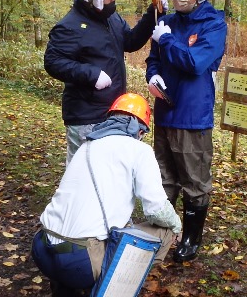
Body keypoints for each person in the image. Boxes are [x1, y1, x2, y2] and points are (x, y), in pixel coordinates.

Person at [31, 93, 182, 296]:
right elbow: (156, 210)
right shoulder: (139, 150)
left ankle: (64, 288)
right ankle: (116, 289)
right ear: (139, 130)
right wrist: (177, 225)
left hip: (42, 248)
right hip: (79, 261)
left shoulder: (86, 146)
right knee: (166, 232)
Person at [44, 0, 167, 164]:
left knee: (106, 171)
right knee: (83, 172)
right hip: (85, 114)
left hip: (112, 110)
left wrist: (152, 12)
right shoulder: (70, 26)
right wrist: (91, 74)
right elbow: (53, 62)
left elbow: (130, 41)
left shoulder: (111, 17)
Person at [146, 0, 227, 263]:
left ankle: (191, 238)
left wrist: (165, 39)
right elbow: (154, 58)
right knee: (163, 177)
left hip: (193, 117)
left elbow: (195, 63)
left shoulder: (214, 25)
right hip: (164, 112)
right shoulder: (168, 19)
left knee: (194, 181)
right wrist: (152, 74)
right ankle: (161, 231)